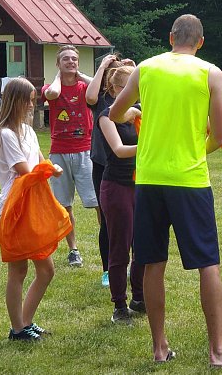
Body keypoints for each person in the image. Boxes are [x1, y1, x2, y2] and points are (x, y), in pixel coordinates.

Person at [109, 14, 222, 366]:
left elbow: (115, 113)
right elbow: (220, 136)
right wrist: (196, 151)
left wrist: (133, 112)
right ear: (200, 42)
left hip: (149, 178)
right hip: (189, 179)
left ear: (170, 37)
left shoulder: (146, 68)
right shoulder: (211, 72)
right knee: (208, 263)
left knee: (152, 262)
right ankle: (217, 351)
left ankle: (159, 347)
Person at [0, 77, 62, 342]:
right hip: (14, 209)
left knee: (46, 270)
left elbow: (41, 161)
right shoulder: (5, 134)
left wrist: (51, 168)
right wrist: (48, 170)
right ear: (16, 101)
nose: (32, 105)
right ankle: (18, 328)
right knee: (18, 271)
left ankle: (25, 322)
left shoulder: (27, 131)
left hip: (32, 206)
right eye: (28, 101)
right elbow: (25, 171)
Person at [97, 66, 145, 324]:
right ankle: (119, 305)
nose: (133, 93)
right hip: (116, 186)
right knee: (120, 248)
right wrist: (150, 145)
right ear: (115, 89)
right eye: (127, 88)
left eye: (136, 88)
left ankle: (139, 297)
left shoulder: (141, 112)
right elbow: (118, 150)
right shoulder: (106, 116)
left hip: (142, 185)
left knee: (143, 246)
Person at [42, 45, 97, 267]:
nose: (71, 62)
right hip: (59, 152)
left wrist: (79, 75)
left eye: (74, 59)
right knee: (64, 205)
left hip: (85, 150)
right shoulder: (50, 87)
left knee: (97, 202)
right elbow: (52, 94)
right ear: (58, 64)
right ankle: (73, 250)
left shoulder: (85, 87)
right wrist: (59, 77)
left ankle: (110, 243)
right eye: (65, 59)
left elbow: (100, 86)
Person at [86, 54, 133, 286]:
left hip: (130, 169)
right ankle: (108, 269)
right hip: (104, 164)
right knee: (108, 220)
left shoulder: (134, 104)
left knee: (133, 222)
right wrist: (103, 65)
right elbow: (89, 96)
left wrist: (134, 71)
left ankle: (132, 267)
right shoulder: (103, 101)